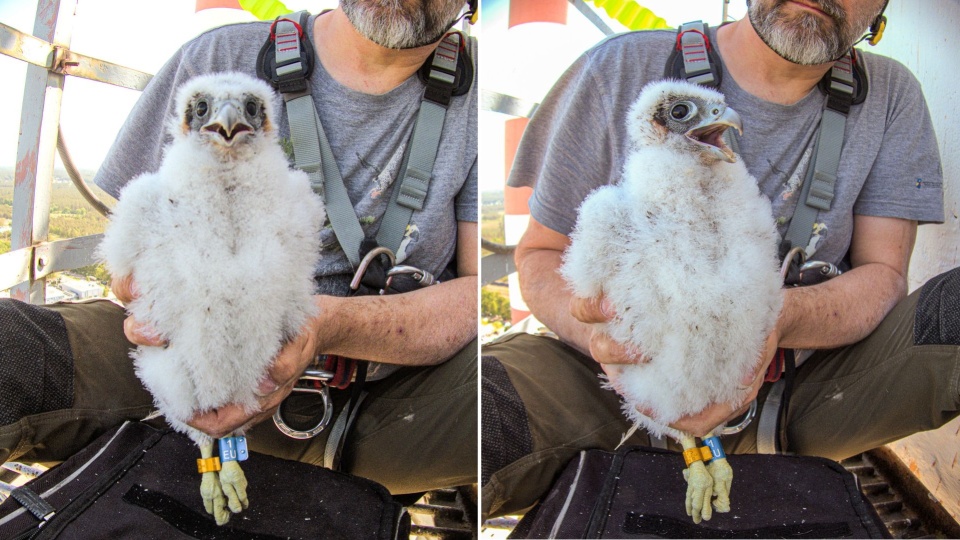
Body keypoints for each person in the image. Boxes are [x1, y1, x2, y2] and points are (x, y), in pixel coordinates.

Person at [481, 0, 959, 519]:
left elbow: (884, 275)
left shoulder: (890, 94)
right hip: (608, 386)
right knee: (480, 416)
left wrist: (768, 321)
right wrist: (612, 342)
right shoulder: (620, 68)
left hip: (801, 388)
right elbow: (541, 254)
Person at [0, 0, 478, 499]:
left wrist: (324, 326)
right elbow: (126, 262)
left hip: (387, 399)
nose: (226, 121)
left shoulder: (474, 87)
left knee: (504, 401)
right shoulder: (218, 54)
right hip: (178, 360)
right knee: (10, 346)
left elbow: (473, 291)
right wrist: (163, 302)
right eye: (206, 113)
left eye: (247, 112)